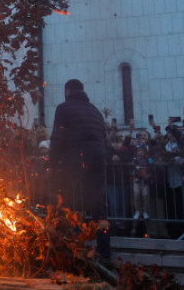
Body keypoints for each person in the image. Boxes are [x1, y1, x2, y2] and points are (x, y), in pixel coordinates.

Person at [50, 78, 111, 260]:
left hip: (76, 160)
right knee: (99, 207)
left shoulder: (63, 108)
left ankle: (70, 248)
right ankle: (104, 250)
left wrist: (52, 164)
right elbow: (105, 140)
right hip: (98, 160)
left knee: (69, 203)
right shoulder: (95, 112)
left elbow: (58, 137)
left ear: (67, 91)